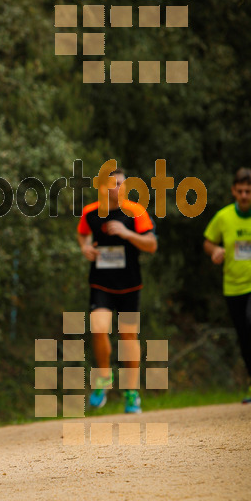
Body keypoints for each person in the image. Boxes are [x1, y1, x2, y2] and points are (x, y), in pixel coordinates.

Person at [77, 167, 157, 413]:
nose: (120, 188)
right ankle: (103, 381)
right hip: (101, 283)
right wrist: (86, 248)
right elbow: (82, 235)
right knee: (99, 328)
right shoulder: (90, 212)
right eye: (115, 184)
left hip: (130, 285)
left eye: (123, 183)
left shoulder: (136, 211)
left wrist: (126, 233)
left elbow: (152, 245)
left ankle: (131, 393)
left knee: (128, 337)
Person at [204, 167, 251, 404]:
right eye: (240, 191)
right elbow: (208, 241)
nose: (244, 195)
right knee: (244, 337)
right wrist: (215, 250)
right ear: (234, 191)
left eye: (249, 191)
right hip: (233, 287)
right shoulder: (223, 217)